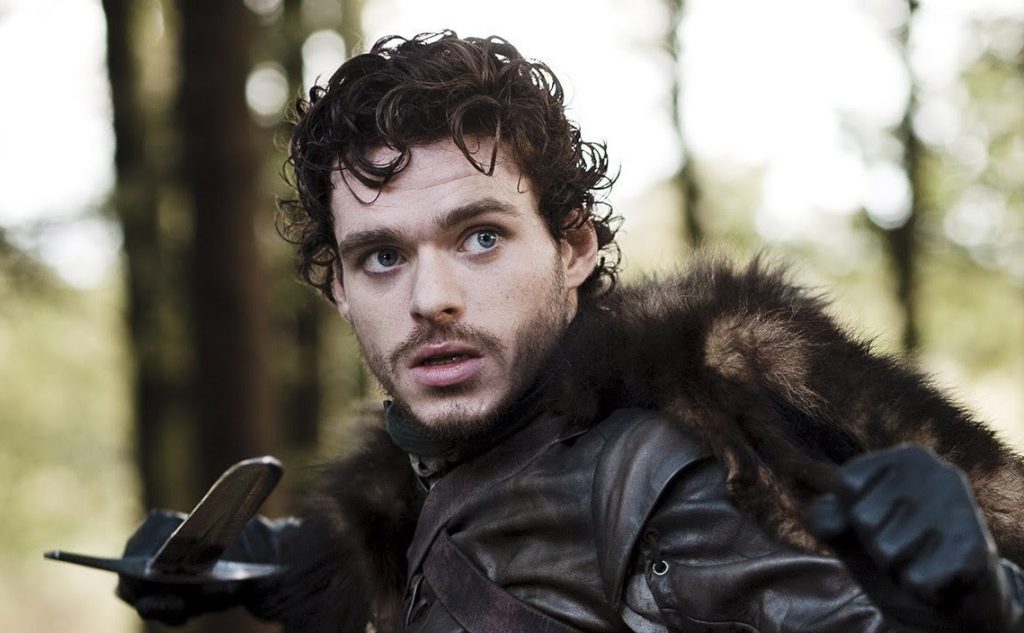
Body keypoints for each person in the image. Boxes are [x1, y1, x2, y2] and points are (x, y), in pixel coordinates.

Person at [116, 31, 1024, 632]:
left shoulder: (661, 490)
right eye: (382, 256)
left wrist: (972, 614)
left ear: (574, 247)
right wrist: (265, 560)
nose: (432, 298)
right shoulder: (430, 473)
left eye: (480, 237)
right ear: (341, 290)